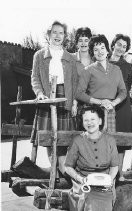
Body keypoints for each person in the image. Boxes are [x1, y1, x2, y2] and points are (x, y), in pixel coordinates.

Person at [30, 21, 78, 175]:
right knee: (48, 138)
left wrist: (74, 103)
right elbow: (35, 78)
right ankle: (54, 172)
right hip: (46, 98)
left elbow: (75, 82)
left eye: (61, 33)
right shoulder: (39, 55)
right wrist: (39, 93)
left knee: (63, 138)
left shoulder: (70, 58)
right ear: (49, 34)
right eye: (55, 32)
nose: (58, 36)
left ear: (65, 36)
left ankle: (63, 170)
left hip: (65, 97)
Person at [64, 105, 119, 211]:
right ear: (83, 123)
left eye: (93, 119)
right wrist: (80, 179)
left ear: (100, 121)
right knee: (90, 202)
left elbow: (114, 166)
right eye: (86, 120)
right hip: (83, 183)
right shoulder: (77, 141)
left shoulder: (110, 140)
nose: (90, 123)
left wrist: (110, 180)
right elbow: (68, 167)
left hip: (105, 185)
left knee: (105, 204)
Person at [76, 34, 127, 132]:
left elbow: (123, 91)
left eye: (102, 48)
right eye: (96, 49)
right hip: (92, 112)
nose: (100, 52)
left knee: (108, 143)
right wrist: (100, 102)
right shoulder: (88, 70)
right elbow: (78, 93)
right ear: (92, 53)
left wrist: (113, 103)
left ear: (107, 50)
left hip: (110, 110)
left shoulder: (117, 69)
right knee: (92, 144)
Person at [109, 34, 132, 181]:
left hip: (122, 106)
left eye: (124, 47)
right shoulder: (103, 61)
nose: (120, 48)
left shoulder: (127, 66)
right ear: (113, 45)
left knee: (121, 140)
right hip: (105, 104)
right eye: (119, 44)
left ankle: (119, 173)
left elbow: (128, 86)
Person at [71, 27, 93, 129]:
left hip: (92, 102)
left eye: (86, 40)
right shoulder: (71, 59)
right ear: (76, 43)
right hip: (74, 102)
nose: (83, 43)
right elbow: (70, 83)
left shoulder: (96, 60)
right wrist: (73, 103)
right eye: (80, 40)